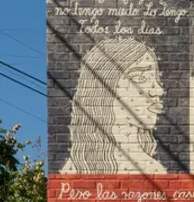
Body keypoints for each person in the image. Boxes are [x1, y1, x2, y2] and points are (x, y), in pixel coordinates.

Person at [62, 38, 167, 174]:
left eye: (156, 78)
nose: (159, 90)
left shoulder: (153, 170)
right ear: (103, 88)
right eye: (141, 78)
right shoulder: (75, 169)